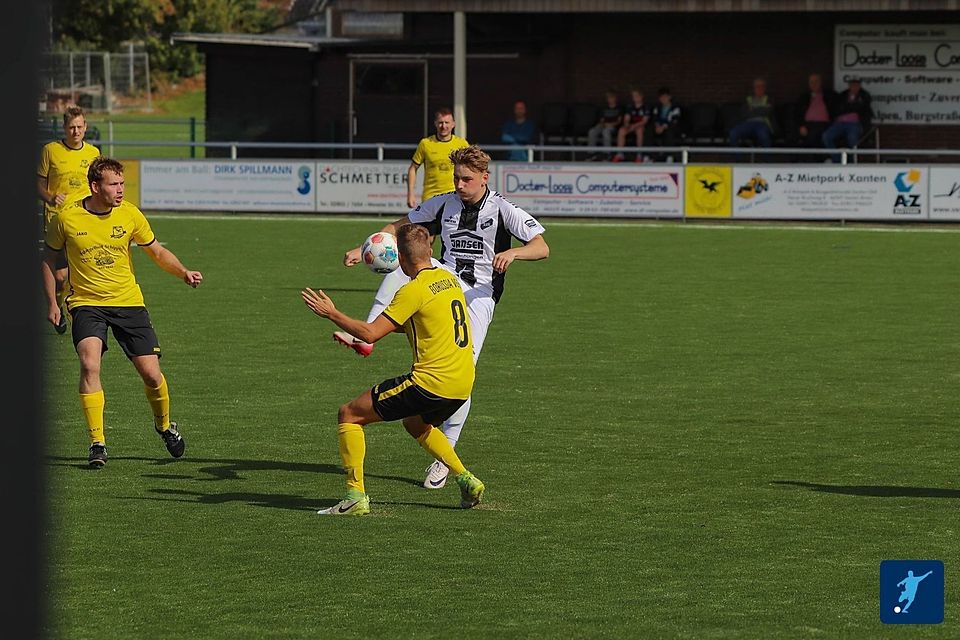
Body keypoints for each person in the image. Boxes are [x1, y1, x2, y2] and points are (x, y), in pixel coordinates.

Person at [335, 145, 549, 489]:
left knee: (464, 372)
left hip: (480, 295)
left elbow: (542, 246)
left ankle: (445, 453)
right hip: (445, 280)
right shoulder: (445, 202)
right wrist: (364, 250)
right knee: (403, 256)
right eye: (456, 178)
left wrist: (515, 252)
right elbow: (402, 225)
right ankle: (367, 336)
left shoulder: (503, 209)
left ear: (484, 177)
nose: (460, 184)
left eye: (466, 178)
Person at [302, 224, 486, 516]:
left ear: (399, 258)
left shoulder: (411, 291)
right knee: (416, 423)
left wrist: (333, 314)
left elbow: (371, 334)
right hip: (462, 383)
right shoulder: (447, 279)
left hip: (431, 384)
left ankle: (355, 497)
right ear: (430, 250)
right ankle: (466, 478)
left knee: (349, 414)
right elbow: (426, 323)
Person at [40, 157, 203, 468]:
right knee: (89, 365)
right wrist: (52, 301)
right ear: (95, 186)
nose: (120, 190)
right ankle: (97, 443)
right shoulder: (67, 218)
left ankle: (165, 427)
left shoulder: (129, 214)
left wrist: (182, 271)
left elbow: (156, 251)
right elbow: (47, 259)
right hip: (86, 303)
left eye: (122, 184)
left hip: (128, 302)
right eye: (113, 184)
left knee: (152, 376)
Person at [37, 106, 100, 335]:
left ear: (85, 128)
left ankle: (78, 309)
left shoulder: (93, 153)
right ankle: (56, 304)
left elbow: (98, 185)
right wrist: (50, 197)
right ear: (64, 128)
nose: (75, 131)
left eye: (79, 127)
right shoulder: (50, 151)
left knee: (81, 269)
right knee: (61, 276)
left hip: (83, 220)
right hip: (57, 219)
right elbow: (38, 184)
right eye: (71, 127)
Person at [406, 107, 469, 209]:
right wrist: (410, 194)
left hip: (455, 195)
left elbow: (471, 168)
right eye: (440, 122)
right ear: (435, 123)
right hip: (431, 196)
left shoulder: (462, 144)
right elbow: (413, 168)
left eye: (447, 123)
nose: (443, 126)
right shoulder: (425, 144)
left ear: (453, 124)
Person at [823, 77, 873, 161]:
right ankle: (837, 159)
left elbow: (862, 108)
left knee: (852, 140)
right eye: (852, 85)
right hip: (839, 123)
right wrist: (851, 107)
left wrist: (848, 107)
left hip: (854, 124)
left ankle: (852, 161)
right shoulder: (843, 95)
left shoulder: (864, 95)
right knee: (826, 136)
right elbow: (837, 108)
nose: (854, 87)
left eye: (856, 85)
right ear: (849, 86)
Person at [728, 78, 775, 149]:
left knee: (763, 135)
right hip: (747, 123)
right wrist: (761, 109)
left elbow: (767, 112)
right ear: (753, 88)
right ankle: (737, 159)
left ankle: (768, 159)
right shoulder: (747, 99)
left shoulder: (769, 99)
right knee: (733, 133)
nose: (759, 88)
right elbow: (743, 113)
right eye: (757, 87)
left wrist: (753, 110)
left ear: (764, 88)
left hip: (762, 124)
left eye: (761, 86)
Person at [795, 73, 835, 149]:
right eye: (811, 82)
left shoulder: (829, 95)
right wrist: (801, 126)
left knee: (816, 134)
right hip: (807, 124)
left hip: (824, 124)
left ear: (821, 83)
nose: (814, 84)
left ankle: (820, 159)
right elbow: (797, 113)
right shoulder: (804, 97)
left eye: (816, 81)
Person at [613, 88, 650, 163]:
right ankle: (620, 153)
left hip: (640, 126)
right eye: (633, 96)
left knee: (639, 130)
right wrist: (626, 124)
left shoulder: (646, 107)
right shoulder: (630, 106)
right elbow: (626, 118)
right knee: (621, 130)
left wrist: (634, 126)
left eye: (636, 96)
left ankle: (639, 154)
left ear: (641, 96)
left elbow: (644, 121)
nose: (635, 98)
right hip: (631, 126)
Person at [586, 89, 623, 160]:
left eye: (611, 97)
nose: (610, 99)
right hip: (603, 125)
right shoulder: (604, 108)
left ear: (615, 98)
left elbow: (619, 121)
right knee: (592, 131)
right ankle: (591, 153)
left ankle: (607, 154)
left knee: (606, 131)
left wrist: (610, 124)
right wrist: (604, 124)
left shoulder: (619, 108)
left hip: (613, 126)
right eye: (608, 98)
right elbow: (601, 120)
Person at [651, 87, 682, 161]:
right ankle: (649, 156)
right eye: (661, 97)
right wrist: (657, 126)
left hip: (671, 128)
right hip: (659, 128)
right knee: (648, 131)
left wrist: (663, 127)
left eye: (665, 97)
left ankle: (669, 156)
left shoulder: (675, 108)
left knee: (669, 132)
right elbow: (654, 118)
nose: (663, 99)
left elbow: (674, 121)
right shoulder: (657, 107)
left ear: (669, 97)